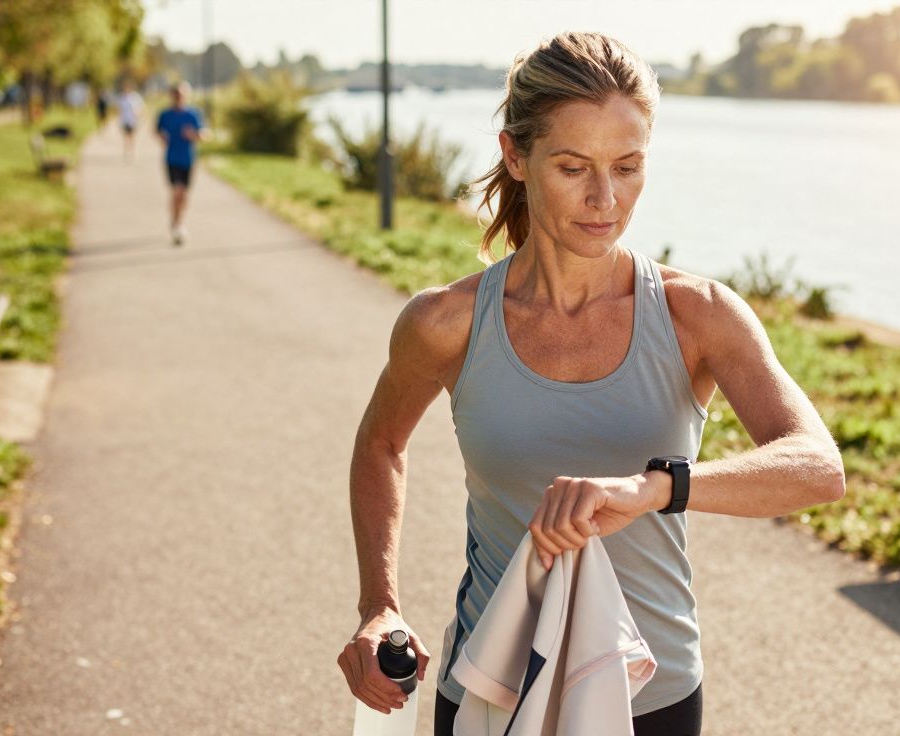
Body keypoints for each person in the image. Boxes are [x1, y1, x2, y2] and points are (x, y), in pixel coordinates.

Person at [336, 32, 846, 736]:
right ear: (517, 157)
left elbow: (818, 467)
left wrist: (654, 489)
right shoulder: (445, 322)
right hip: (492, 686)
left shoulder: (696, 314)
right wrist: (379, 604)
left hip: (651, 696)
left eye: (629, 167)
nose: (606, 199)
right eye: (573, 167)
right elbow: (381, 445)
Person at [154, 81, 206, 245]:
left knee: (184, 195)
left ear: (186, 96)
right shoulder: (165, 114)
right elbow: (156, 130)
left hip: (189, 159)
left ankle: (179, 220)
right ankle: (176, 224)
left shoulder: (193, 114)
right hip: (171, 158)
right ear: (172, 96)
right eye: (176, 94)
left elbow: (204, 135)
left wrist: (194, 135)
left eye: (181, 95)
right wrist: (161, 136)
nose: (179, 97)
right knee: (177, 190)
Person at [117, 81, 145, 162]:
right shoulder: (121, 98)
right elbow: (119, 109)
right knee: (125, 137)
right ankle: (126, 152)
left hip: (133, 120)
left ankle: (133, 152)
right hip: (124, 120)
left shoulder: (135, 97)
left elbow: (141, 107)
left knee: (132, 137)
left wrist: (138, 113)